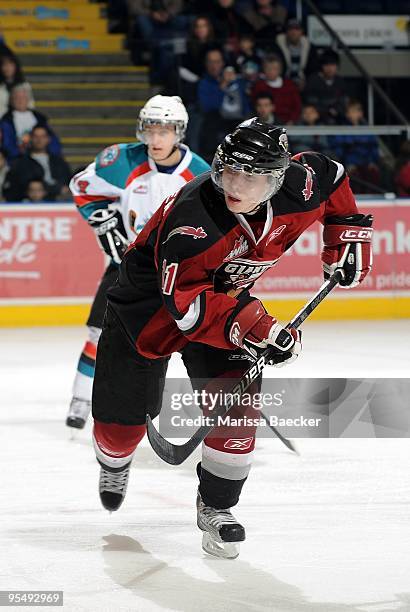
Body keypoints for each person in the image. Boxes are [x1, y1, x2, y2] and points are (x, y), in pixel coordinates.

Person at [90, 118, 373, 559]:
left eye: (250, 176)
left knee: (238, 412)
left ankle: (216, 508)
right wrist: (259, 327)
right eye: (228, 172)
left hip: (223, 305)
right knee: (120, 429)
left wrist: (346, 235)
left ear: (278, 178)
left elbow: (331, 175)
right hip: (146, 313)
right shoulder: (195, 220)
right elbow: (186, 308)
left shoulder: (299, 185)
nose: (234, 186)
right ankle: (114, 461)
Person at [66, 95, 210, 430]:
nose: (157, 139)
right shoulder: (121, 161)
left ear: (180, 132)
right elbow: (82, 188)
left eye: (166, 131)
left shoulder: (200, 174)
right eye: (151, 130)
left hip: (179, 271)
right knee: (98, 331)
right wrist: (102, 220)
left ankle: (216, 407)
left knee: (199, 338)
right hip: (129, 263)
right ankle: (81, 397)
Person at [3, 125, 71, 202]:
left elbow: (68, 182)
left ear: (48, 139)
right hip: (30, 203)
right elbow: (22, 186)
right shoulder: (20, 163)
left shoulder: (59, 161)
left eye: (43, 136)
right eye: (36, 136)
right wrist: (55, 189)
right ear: (30, 139)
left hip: (59, 203)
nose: (39, 140)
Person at [0, 85, 61, 161]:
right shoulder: (6, 120)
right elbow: (7, 144)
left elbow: (52, 140)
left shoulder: (40, 118)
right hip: (18, 160)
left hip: (42, 156)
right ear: (11, 100)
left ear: (28, 99)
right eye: (17, 98)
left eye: (23, 98)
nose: (20, 101)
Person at [251, 55, 302, 124]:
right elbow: (255, 107)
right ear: (264, 69)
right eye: (269, 68)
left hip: (289, 124)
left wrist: (292, 121)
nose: (272, 71)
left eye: (275, 68)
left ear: (280, 69)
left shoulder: (289, 85)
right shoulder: (259, 86)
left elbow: (297, 106)